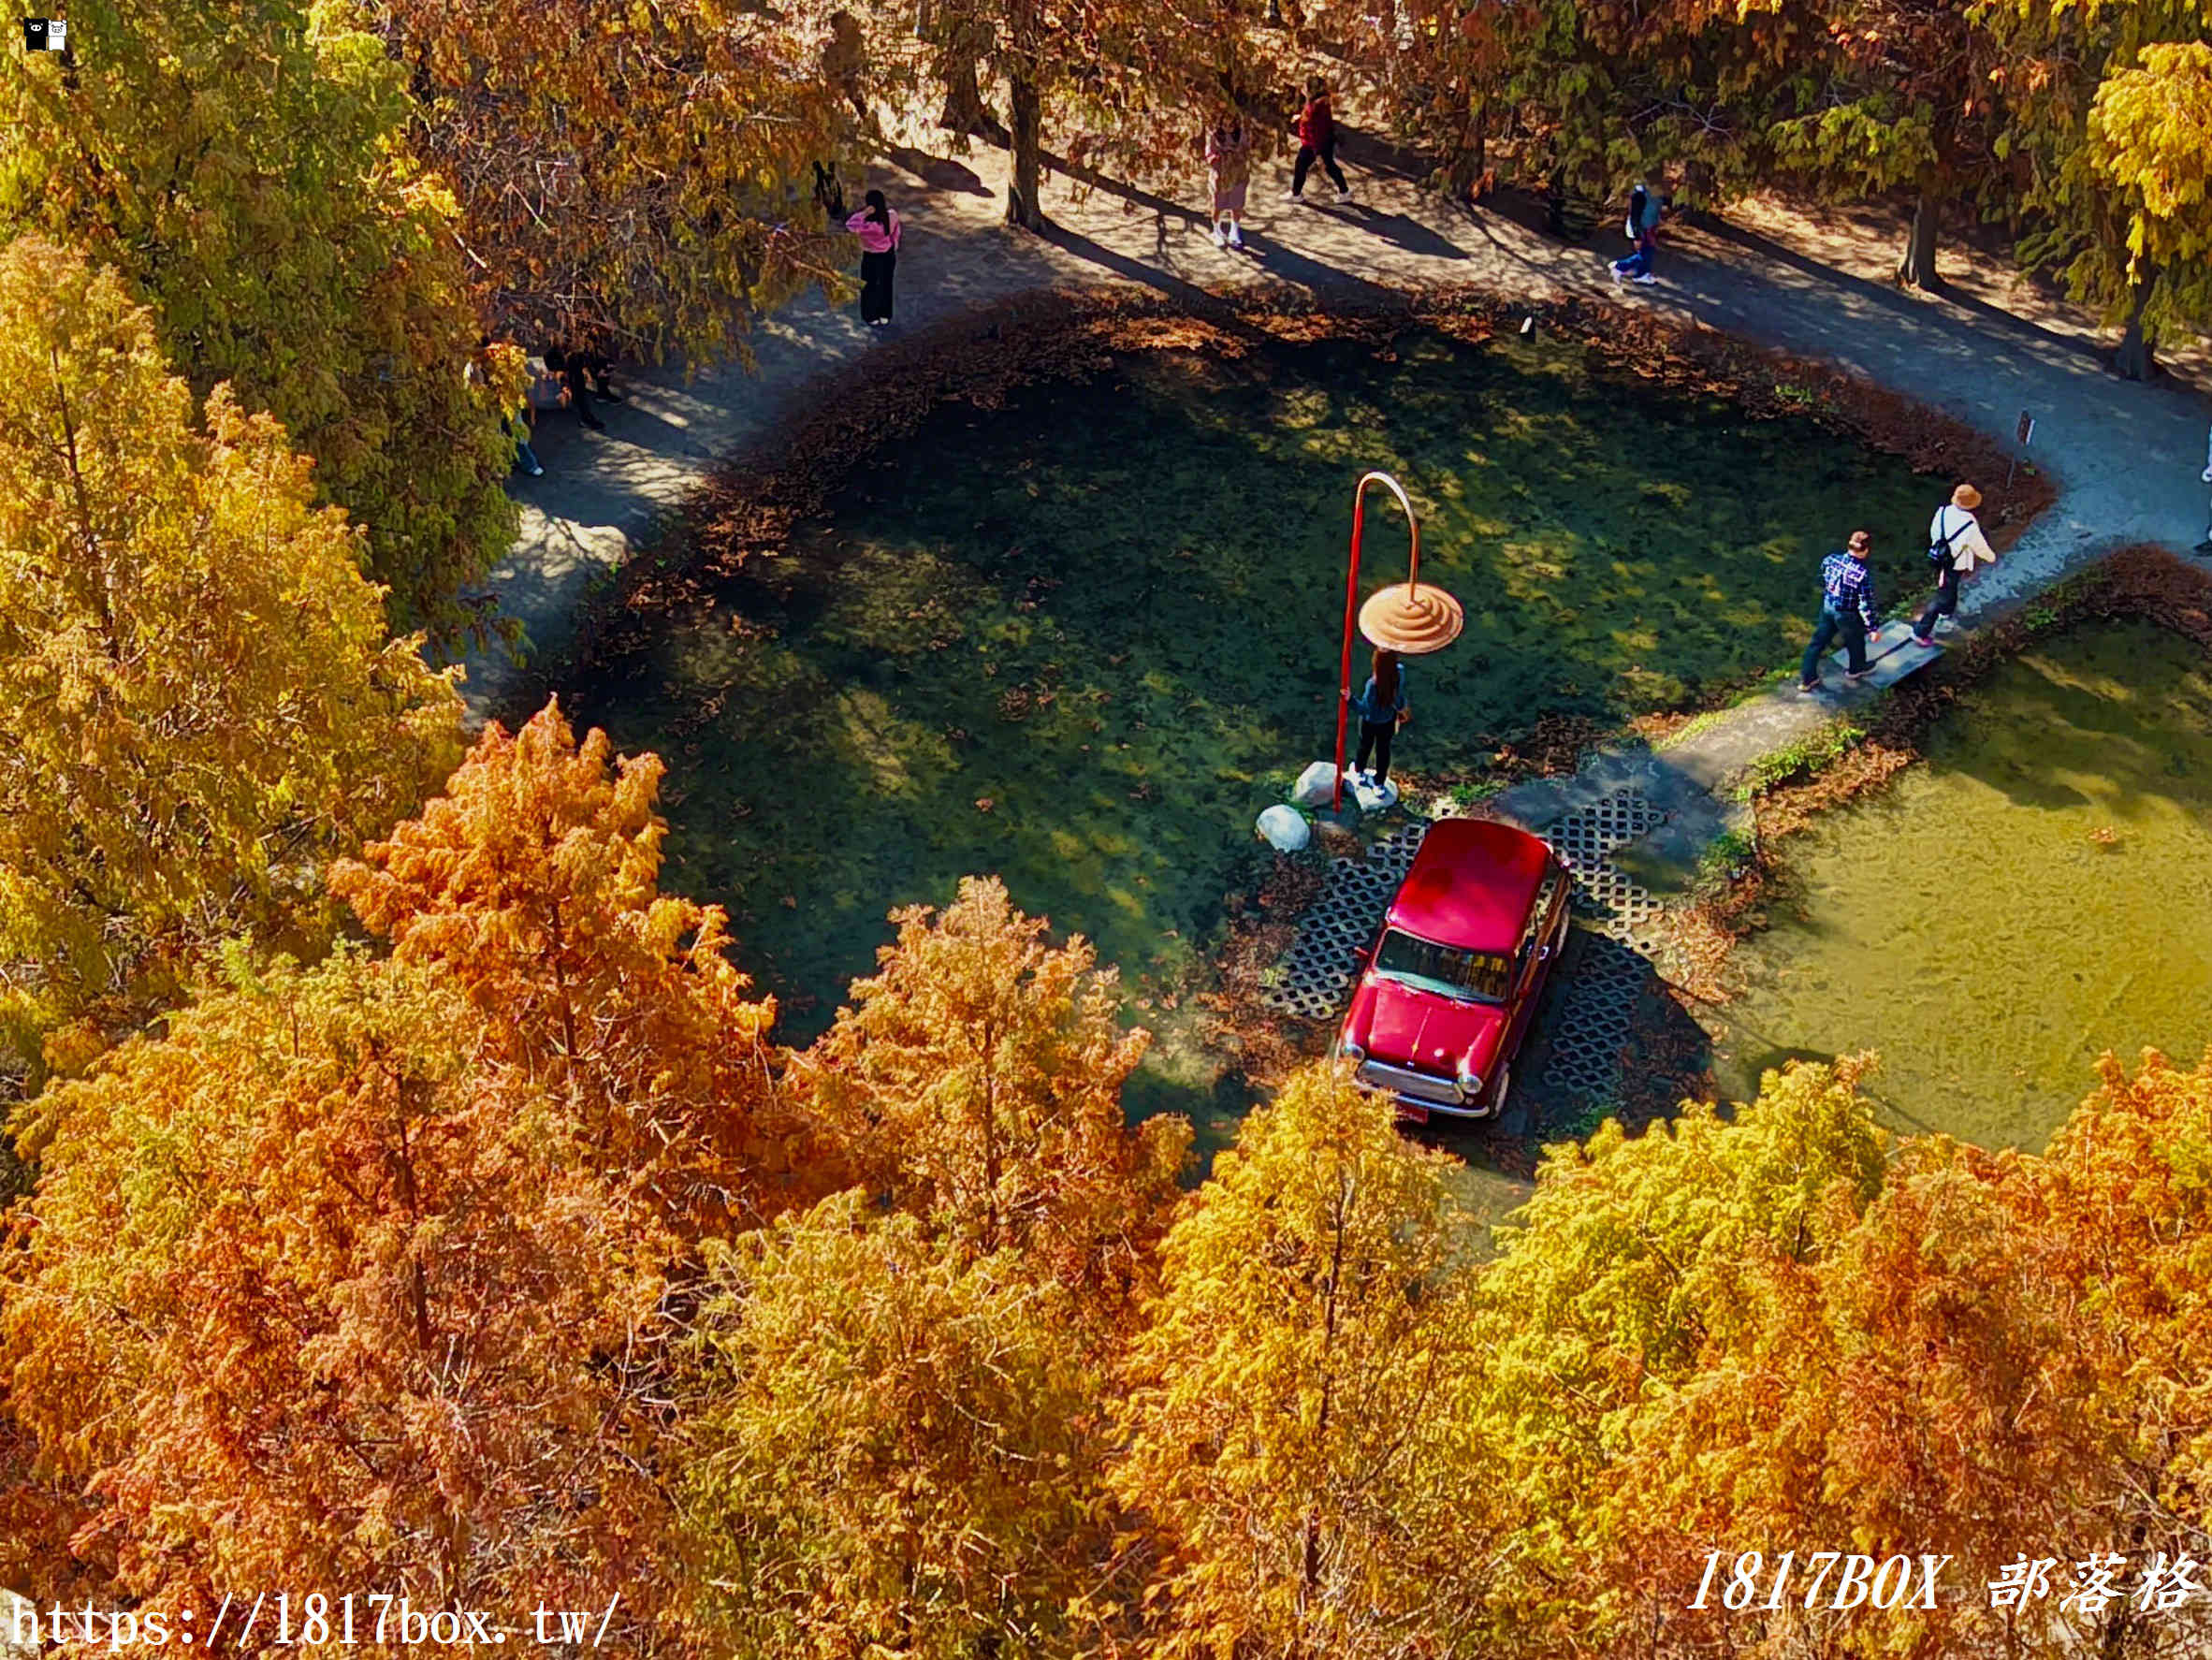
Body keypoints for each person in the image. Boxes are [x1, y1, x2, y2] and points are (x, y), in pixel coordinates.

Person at [1911, 483, 1997, 646]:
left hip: (1940, 557)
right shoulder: (1969, 524)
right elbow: (1979, 546)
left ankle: (1946, 612)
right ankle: (1920, 632)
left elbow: (1934, 533)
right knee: (1943, 595)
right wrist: (1991, 557)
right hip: (1955, 562)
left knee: (1950, 587)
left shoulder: (1942, 512)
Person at [1798, 530, 1880, 692]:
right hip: (1847, 614)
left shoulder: (1830, 560)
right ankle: (1856, 669)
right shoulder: (1861, 575)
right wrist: (1873, 628)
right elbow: (1865, 604)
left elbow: (1822, 578)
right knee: (1855, 640)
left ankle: (1808, 678)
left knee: (1817, 643)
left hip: (1829, 606)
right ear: (1866, 550)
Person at [1350, 647, 1409, 788]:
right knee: (1383, 751)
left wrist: (1349, 699)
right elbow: (1399, 698)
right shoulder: (1400, 672)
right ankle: (1379, 784)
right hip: (1388, 720)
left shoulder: (1372, 685)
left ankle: (1359, 772)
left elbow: (1364, 709)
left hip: (1370, 723)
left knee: (1365, 746)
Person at [1286, 77, 1348, 202]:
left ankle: (1296, 195)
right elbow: (1318, 123)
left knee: (1305, 166)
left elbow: (1316, 130)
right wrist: (1301, 117)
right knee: (1329, 166)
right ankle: (1344, 192)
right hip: (1321, 141)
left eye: (1305, 86)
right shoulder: (1319, 103)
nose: (1303, 88)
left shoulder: (1316, 106)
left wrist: (1317, 153)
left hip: (1314, 144)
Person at [846, 189, 902, 327]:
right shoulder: (892, 216)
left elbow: (850, 225)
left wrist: (864, 213)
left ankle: (871, 316)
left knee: (869, 286)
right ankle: (885, 315)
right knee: (886, 284)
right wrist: (894, 244)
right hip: (888, 255)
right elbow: (896, 231)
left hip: (871, 257)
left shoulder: (866, 225)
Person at [1204, 113, 1251, 249]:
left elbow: (1247, 151)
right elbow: (1209, 154)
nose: (1227, 128)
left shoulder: (1241, 135)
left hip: (1238, 175)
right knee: (1218, 205)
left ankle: (1234, 231)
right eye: (1224, 125)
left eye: (1230, 126)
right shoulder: (1214, 136)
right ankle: (1216, 231)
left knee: (1236, 205)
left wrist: (1236, 153)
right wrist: (1219, 157)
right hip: (1221, 175)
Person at [1610, 182, 1670, 285]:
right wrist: (1637, 235)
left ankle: (1641, 275)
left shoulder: (1655, 191)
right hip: (1641, 228)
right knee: (1645, 254)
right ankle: (1620, 267)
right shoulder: (1639, 194)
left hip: (1650, 227)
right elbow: (1635, 216)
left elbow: (1663, 202)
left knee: (1648, 252)